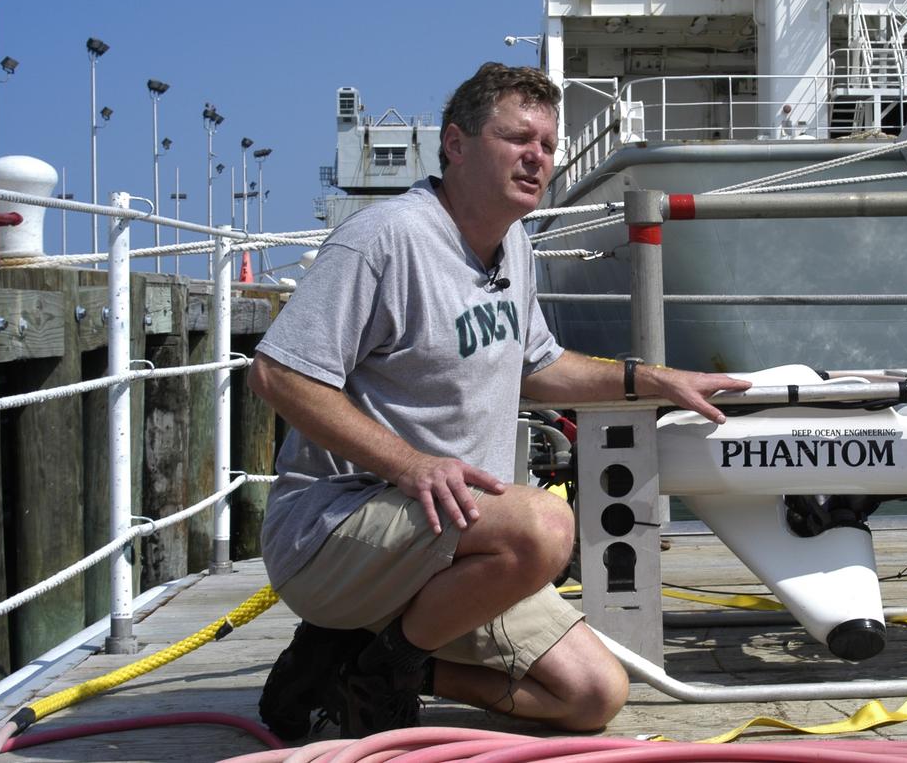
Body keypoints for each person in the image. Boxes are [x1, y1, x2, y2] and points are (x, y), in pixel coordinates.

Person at [251, 62, 750, 739]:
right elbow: (278, 376)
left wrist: (653, 381)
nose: (537, 157)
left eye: (547, 145)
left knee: (593, 696)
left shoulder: (515, 246)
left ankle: (363, 665)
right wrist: (412, 464)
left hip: (452, 539)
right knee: (543, 526)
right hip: (334, 532)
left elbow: (541, 365)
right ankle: (382, 669)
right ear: (455, 144)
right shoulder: (384, 239)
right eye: (517, 138)